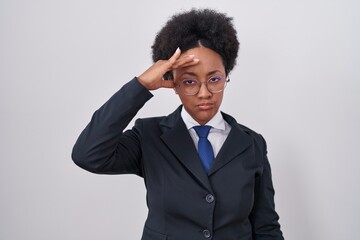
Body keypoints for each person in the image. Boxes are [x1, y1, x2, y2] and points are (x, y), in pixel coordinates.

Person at [72, 8, 284, 240]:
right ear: (173, 84)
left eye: (214, 79)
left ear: (226, 77)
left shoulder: (251, 143)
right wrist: (141, 86)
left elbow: (265, 227)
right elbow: (87, 154)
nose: (204, 93)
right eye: (189, 81)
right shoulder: (148, 136)